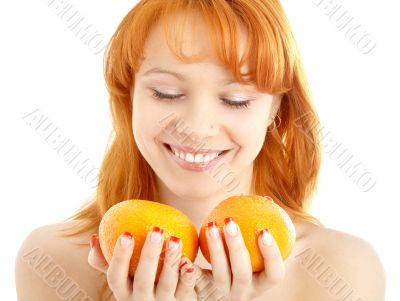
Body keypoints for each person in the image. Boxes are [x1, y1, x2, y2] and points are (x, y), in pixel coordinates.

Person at [15, 0, 386, 300]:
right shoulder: (53, 260)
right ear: (129, 98)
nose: (196, 128)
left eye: (236, 99)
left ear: (276, 109)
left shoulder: (343, 270)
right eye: (167, 93)